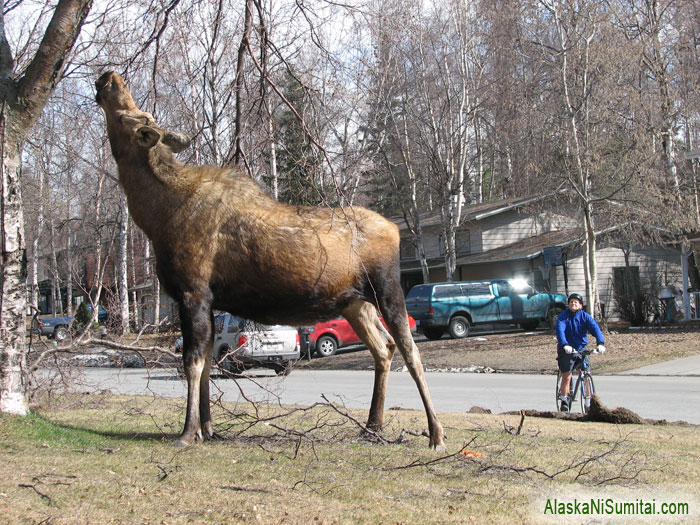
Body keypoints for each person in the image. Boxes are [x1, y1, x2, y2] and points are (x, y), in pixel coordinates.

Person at [555, 293, 606, 412]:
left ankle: (588, 401)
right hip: (567, 349)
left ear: (581, 305)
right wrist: (564, 344)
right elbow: (560, 330)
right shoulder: (563, 316)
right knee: (567, 375)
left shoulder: (585, 316)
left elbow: (595, 328)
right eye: (571, 302)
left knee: (586, 375)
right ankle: (564, 401)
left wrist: (600, 343)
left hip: (581, 348)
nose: (573, 304)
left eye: (576, 302)